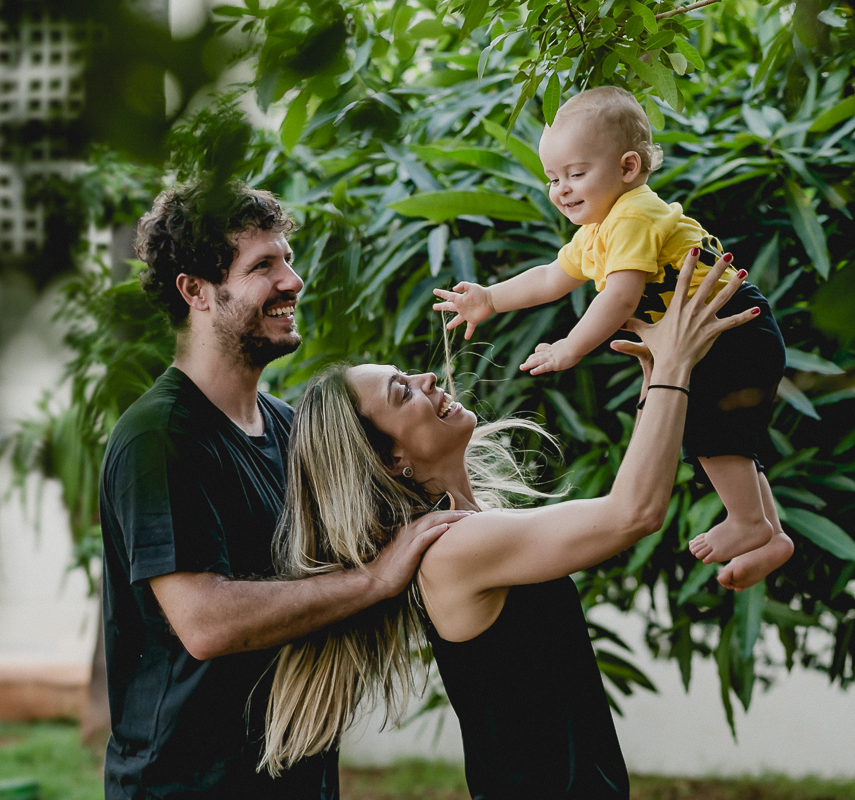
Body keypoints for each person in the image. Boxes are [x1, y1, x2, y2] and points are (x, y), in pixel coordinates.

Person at [260, 253, 758, 798]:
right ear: (391, 459)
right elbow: (633, 514)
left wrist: (657, 371)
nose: (427, 378)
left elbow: (629, 505)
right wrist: (673, 367)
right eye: (403, 392)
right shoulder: (454, 550)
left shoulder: (467, 530)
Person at [97, 181, 464, 799]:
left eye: (287, 259)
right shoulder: (160, 438)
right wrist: (373, 579)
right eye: (262, 265)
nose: (292, 281)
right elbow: (205, 622)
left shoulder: (290, 428)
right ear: (195, 291)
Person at [431, 86, 792, 590]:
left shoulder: (633, 216)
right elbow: (550, 277)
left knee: (711, 432)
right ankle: (769, 534)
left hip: (731, 327)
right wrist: (490, 298)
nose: (561, 190)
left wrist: (570, 347)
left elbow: (620, 298)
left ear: (627, 168)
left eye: (576, 174)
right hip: (723, 330)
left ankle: (750, 522)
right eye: (553, 178)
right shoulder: (598, 231)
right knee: (724, 436)